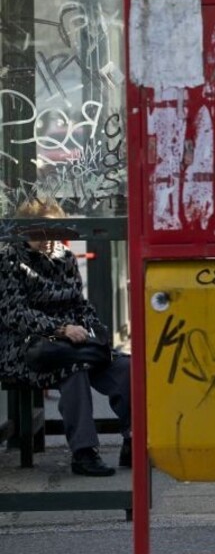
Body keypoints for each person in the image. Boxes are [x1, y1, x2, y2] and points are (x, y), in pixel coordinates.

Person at [0, 199, 131, 477]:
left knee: (125, 368)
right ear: (25, 232)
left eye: (53, 233)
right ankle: (84, 453)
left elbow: (79, 304)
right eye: (39, 234)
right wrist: (60, 329)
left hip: (71, 342)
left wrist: (95, 331)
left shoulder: (65, 258)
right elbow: (14, 314)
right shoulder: (9, 259)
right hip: (26, 346)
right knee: (74, 370)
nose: (47, 241)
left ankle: (132, 438)